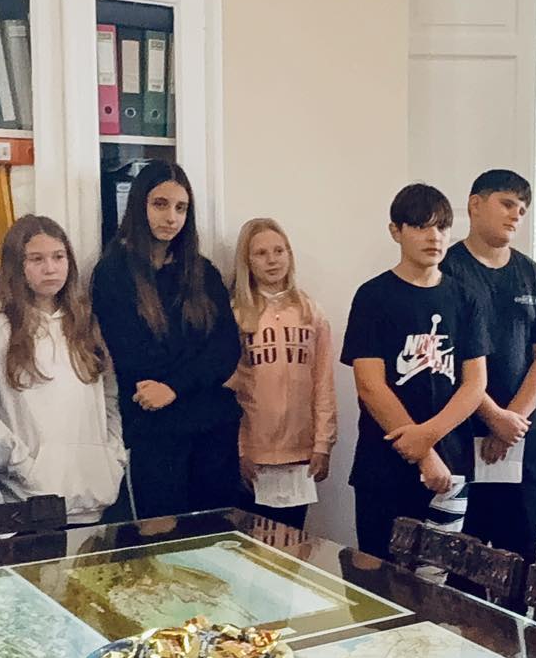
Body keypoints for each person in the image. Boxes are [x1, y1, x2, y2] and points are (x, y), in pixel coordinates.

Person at [341, 183, 490, 558]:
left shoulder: (465, 298)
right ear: (396, 231)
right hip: (384, 464)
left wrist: (429, 437)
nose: (434, 237)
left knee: (437, 576)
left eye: (442, 227)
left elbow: (475, 384)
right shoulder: (373, 297)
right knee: (378, 574)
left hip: (451, 464)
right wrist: (423, 454)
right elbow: (370, 385)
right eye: (421, 226)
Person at [92, 160, 242, 519]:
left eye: (181, 208)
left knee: (218, 538)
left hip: (214, 429)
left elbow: (225, 349)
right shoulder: (113, 273)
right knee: (161, 540)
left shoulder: (203, 272)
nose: (171, 217)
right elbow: (133, 355)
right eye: (160, 204)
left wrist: (174, 386)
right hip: (154, 430)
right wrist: (193, 371)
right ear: (139, 204)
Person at [0, 215, 126, 526]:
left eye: (58, 257)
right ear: (16, 265)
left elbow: (109, 397)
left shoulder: (85, 322)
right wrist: (22, 465)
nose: (50, 268)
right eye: (36, 259)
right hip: (28, 500)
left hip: (93, 494)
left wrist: (113, 456)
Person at [442, 171, 536, 563]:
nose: (515, 216)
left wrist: (511, 421)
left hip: (520, 431)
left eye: (522, 210)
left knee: (522, 545)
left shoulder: (532, 275)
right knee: (463, 550)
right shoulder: (446, 270)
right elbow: (442, 357)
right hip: (460, 429)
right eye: (507, 204)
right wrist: (492, 417)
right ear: (475, 204)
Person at [229, 217, 335, 530]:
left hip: (300, 453)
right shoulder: (236, 314)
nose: (272, 260)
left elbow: (323, 382)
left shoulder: (310, 312)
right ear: (247, 261)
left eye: (279, 250)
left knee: (291, 543)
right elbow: (230, 389)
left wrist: (323, 443)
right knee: (252, 547)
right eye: (261, 253)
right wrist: (239, 449)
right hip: (253, 455)